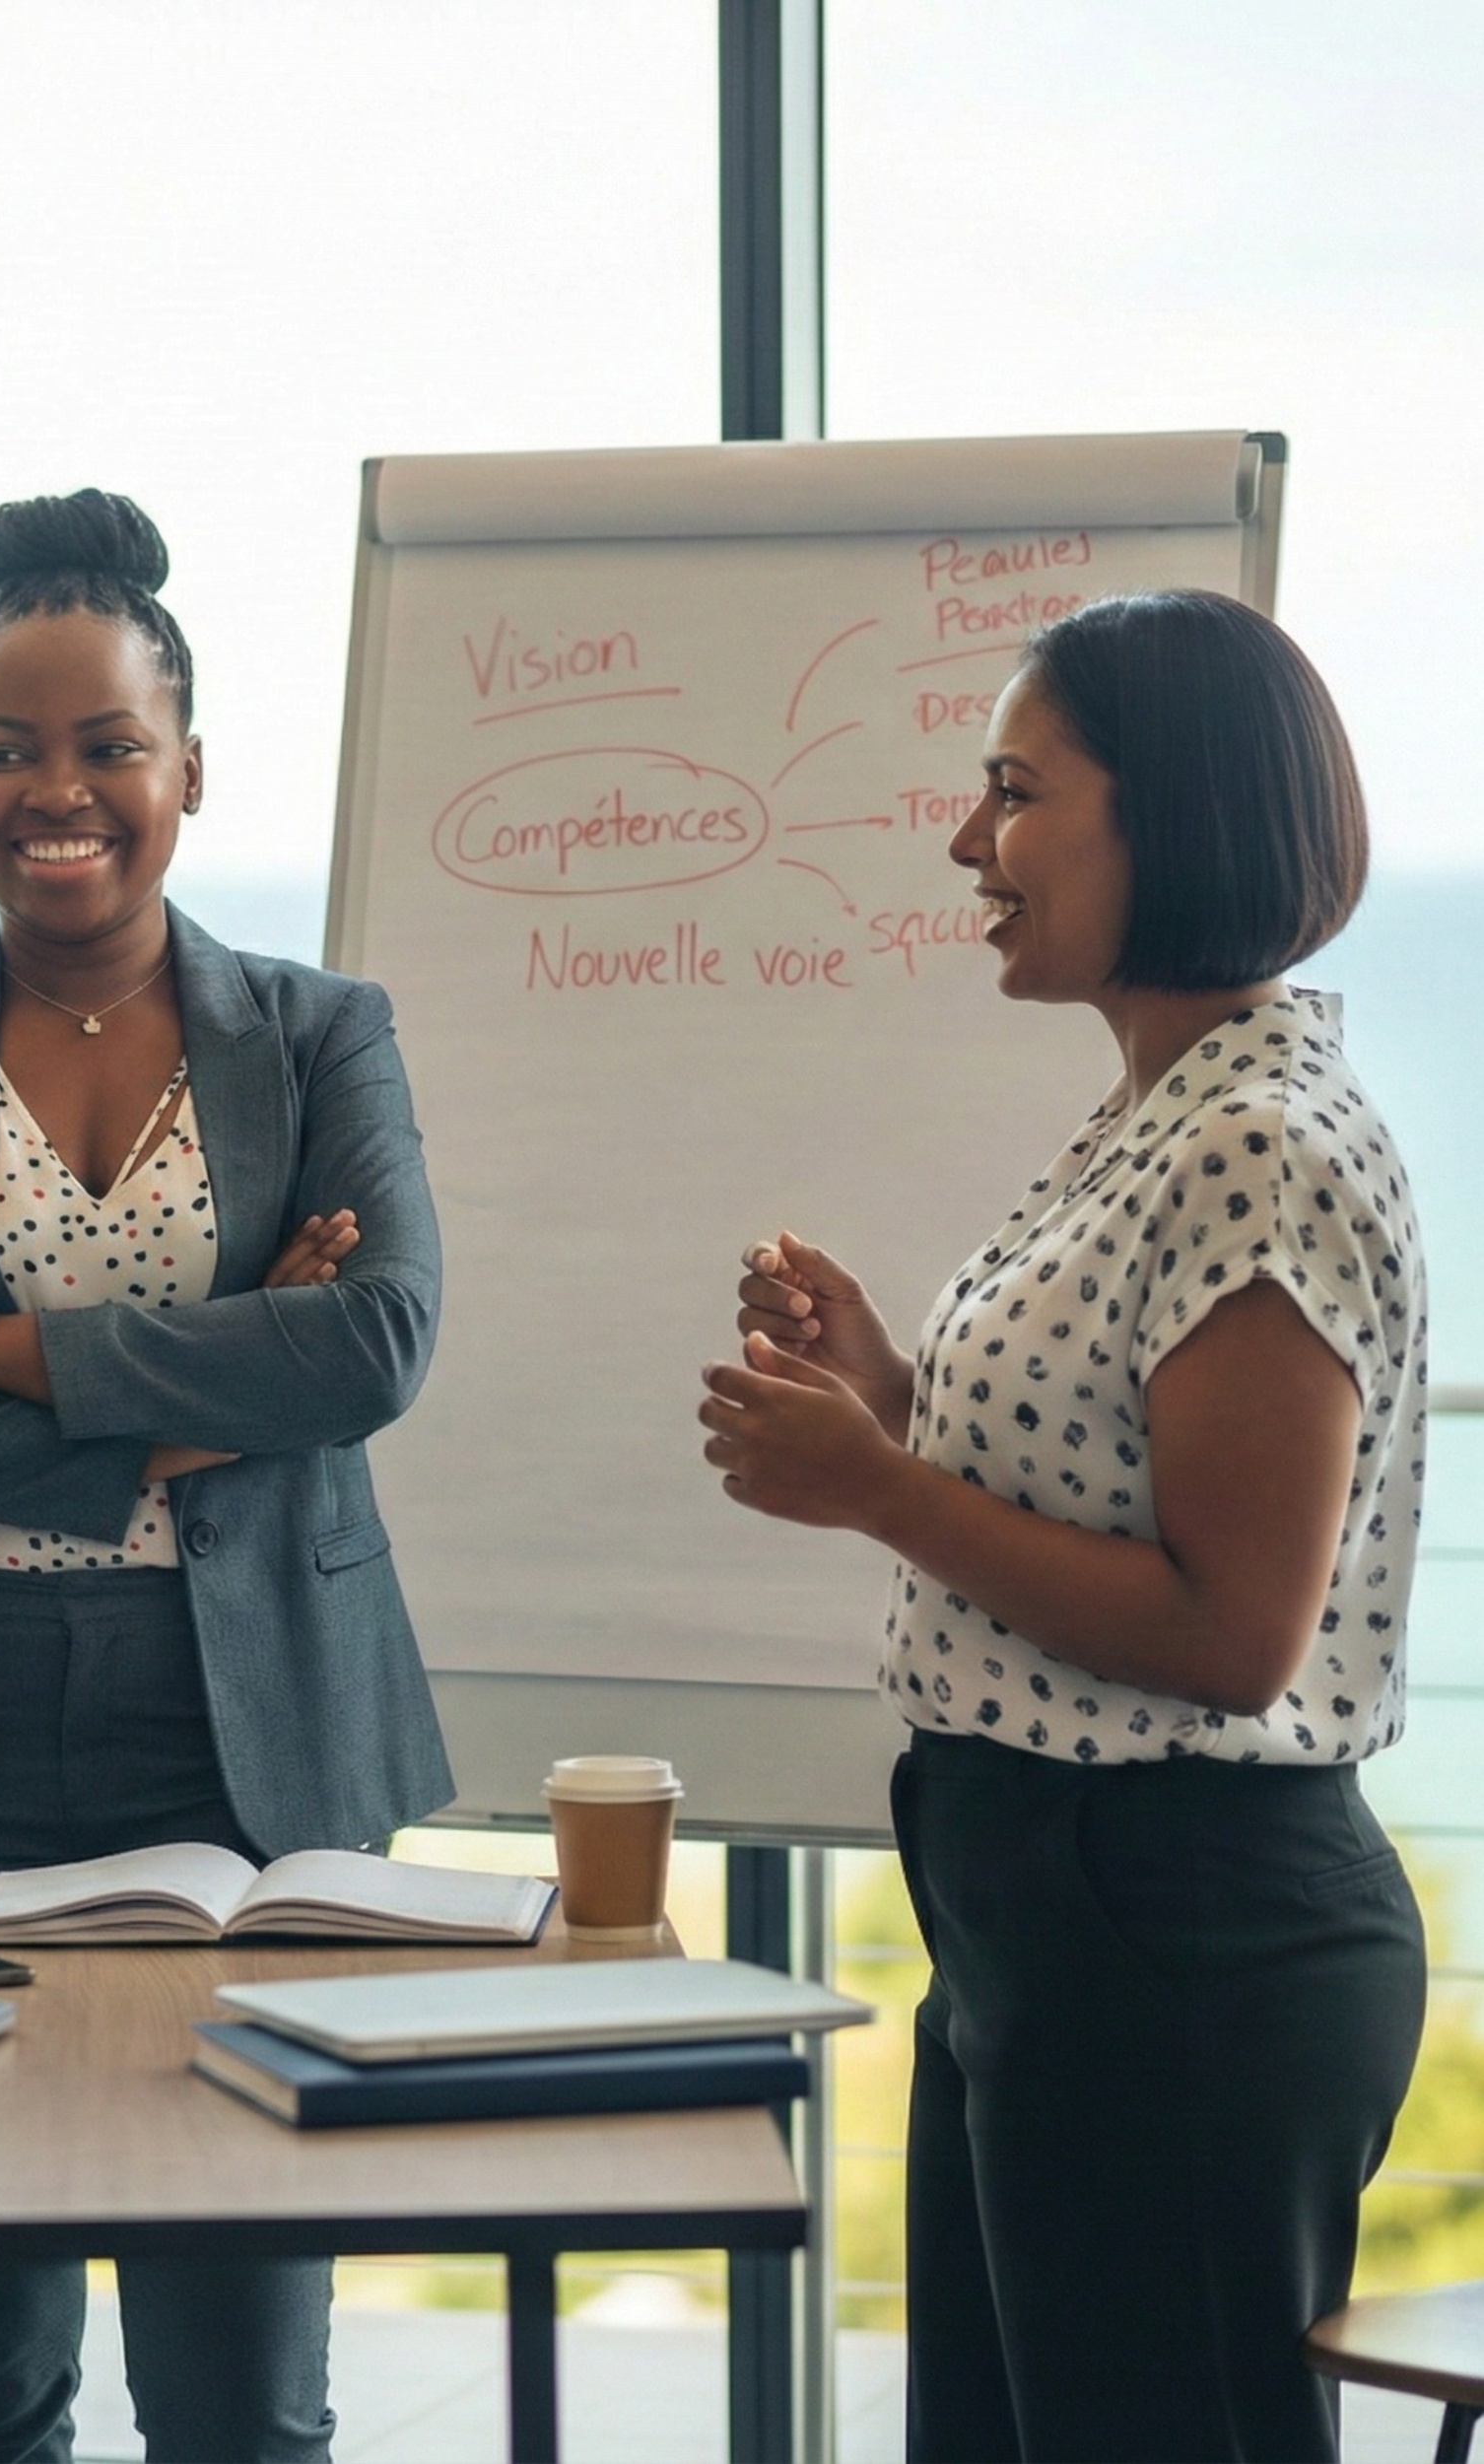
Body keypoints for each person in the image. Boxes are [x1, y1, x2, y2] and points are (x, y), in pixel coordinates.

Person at [0, 488, 452, 2463]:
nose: (57, 792)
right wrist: (185, 1404)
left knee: (244, 2391)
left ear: (187, 768)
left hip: (247, 1736)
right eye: (7, 748)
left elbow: (375, 1344)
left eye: (108, 744)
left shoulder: (320, 1035)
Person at [697, 589, 1426, 2463]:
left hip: (1175, 1938)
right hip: (1050, 1920)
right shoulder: (1164, 1109)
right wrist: (887, 1396)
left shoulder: (1257, 1141)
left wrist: (877, 1490)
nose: (968, 841)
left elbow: (1230, 1635)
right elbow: (1095, 1479)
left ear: (1169, 816)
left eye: (1014, 793)